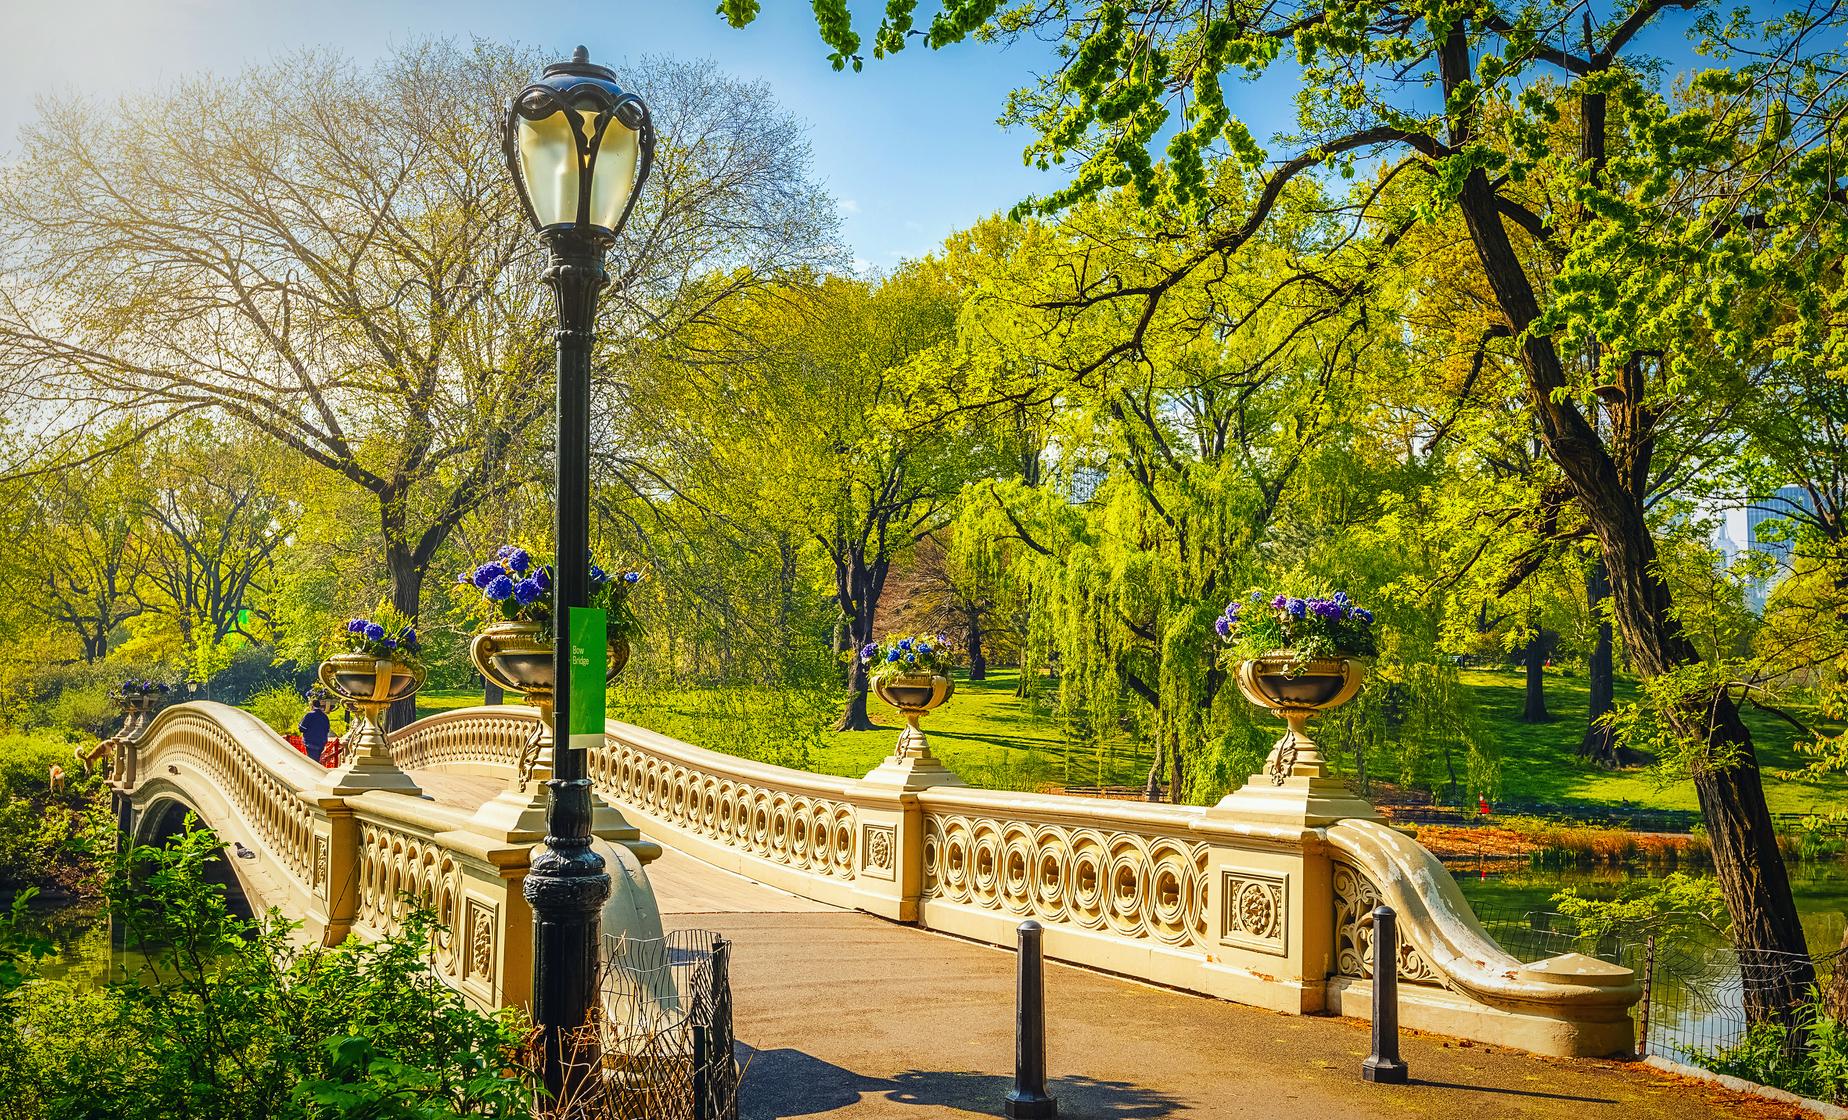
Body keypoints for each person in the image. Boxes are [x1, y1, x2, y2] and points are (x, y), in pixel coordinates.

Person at [299, 697, 332, 764]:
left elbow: (302, 728)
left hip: (310, 742)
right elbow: (327, 729)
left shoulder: (309, 715)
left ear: (312, 706)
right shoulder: (324, 716)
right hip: (321, 743)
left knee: (312, 763)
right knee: (316, 760)